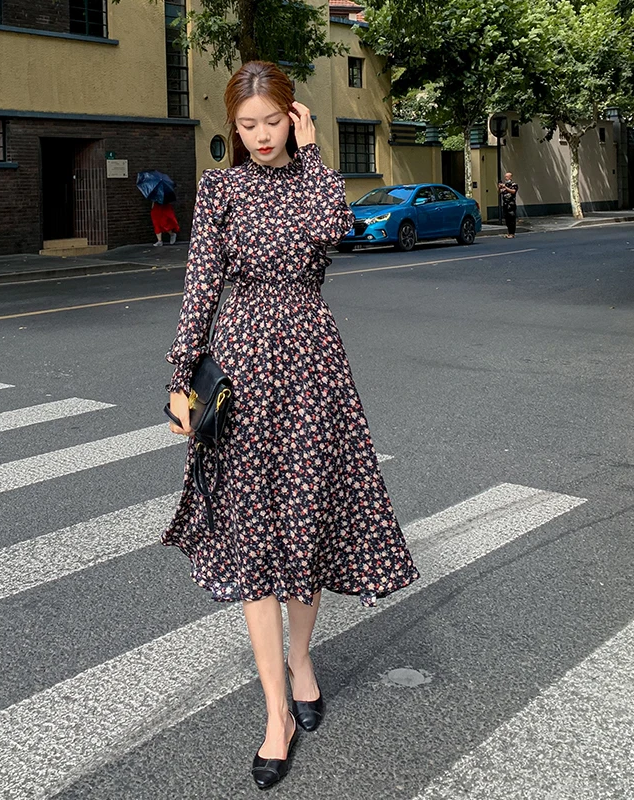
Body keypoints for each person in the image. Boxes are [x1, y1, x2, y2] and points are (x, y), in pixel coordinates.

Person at [162, 61, 419, 790]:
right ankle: (275, 713)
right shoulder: (221, 191)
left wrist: (313, 156)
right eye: (248, 125)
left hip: (312, 369)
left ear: (293, 116)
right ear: (233, 127)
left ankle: (301, 660)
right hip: (242, 372)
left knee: (306, 520)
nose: (261, 135)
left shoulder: (313, 181)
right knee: (254, 539)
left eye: (273, 121)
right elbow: (200, 289)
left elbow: (336, 230)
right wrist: (181, 378)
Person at [498, 172, 519, 238]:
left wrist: (506, 187)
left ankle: (512, 233)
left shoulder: (514, 184)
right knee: (507, 220)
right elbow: (500, 192)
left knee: (512, 219)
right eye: (505, 176)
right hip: (505, 205)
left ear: (510, 177)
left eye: (507, 176)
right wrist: (499, 187)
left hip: (511, 204)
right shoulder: (505, 185)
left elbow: (513, 191)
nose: (506, 178)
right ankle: (509, 232)